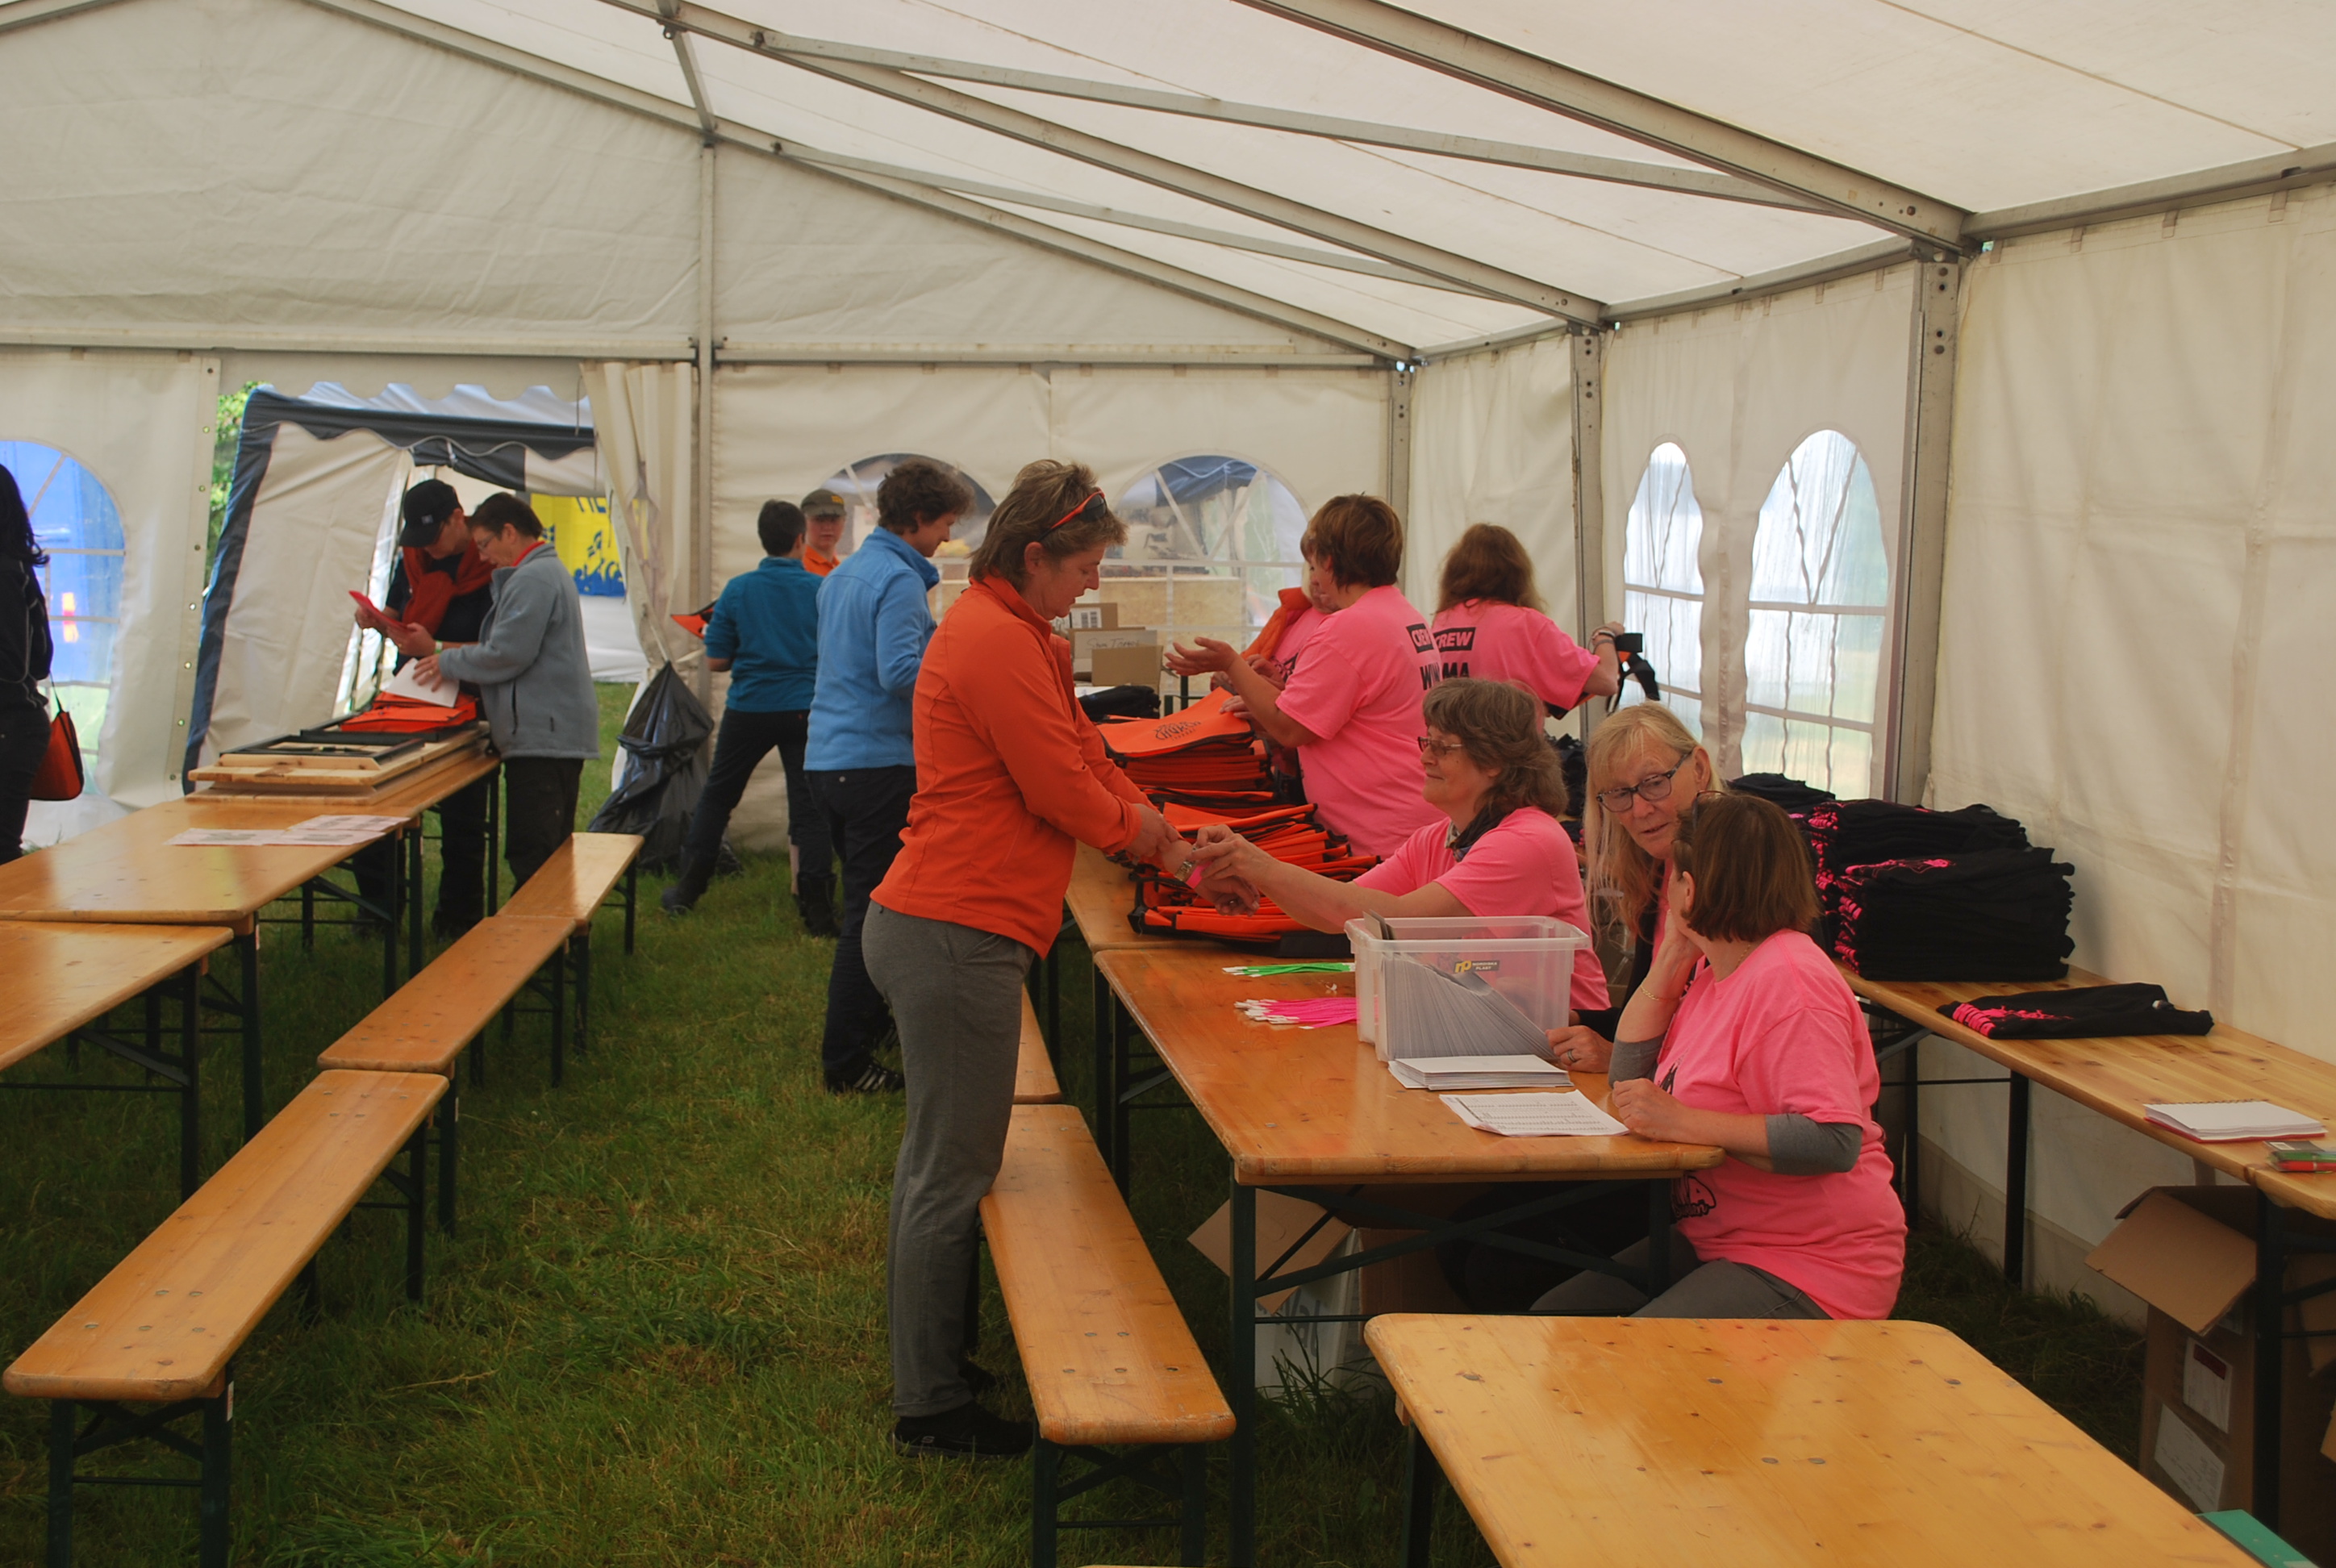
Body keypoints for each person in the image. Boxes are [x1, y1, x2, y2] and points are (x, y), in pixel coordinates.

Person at [866, 459, 1187, 1459]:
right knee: (949, 1170)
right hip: (953, 931)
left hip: (953, 925)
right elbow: (1057, 786)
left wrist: (1161, 829)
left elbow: (1086, 756)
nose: (1092, 585)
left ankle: (938, 1363)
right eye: (1084, 567)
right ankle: (930, 1407)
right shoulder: (996, 638)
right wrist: (1156, 844)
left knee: (946, 1161)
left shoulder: (1020, 634)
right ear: (1035, 554)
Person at [1530, 793, 1905, 1320]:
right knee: (1558, 1322)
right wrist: (1673, 956)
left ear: (1691, 888)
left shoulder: (1790, 983)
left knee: (1617, 1353)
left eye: (1672, 877)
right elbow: (1627, 1078)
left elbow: (1833, 1141)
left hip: (1811, 1262)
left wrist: (1685, 1121)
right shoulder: (1718, 971)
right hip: (1723, 1238)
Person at [1191, 677, 1607, 1015]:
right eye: (1428, 743)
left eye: (1443, 747)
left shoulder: (1526, 841)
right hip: (1500, 1028)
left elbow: (1400, 922)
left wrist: (1260, 866)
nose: (1426, 759)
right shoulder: (1440, 837)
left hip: (1568, 1044)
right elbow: (1337, 914)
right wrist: (1250, 869)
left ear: (1495, 761)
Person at [805, 459, 974, 1095]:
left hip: (830, 760)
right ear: (920, 518)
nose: (947, 537)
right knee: (870, 916)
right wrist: (962, 675)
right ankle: (845, 1062)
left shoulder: (845, 573)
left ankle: (870, 1027)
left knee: (869, 906)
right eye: (945, 524)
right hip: (875, 763)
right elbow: (900, 672)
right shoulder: (900, 579)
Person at [1166, 495, 1438, 855]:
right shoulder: (1404, 615)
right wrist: (1282, 692)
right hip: (1403, 817)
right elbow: (1356, 713)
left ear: (1327, 561)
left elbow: (1289, 728)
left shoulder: (1351, 627)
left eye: (1313, 563)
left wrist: (1231, 663)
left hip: (1378, 830)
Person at [403, 494, 599, 890]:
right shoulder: (542, 573)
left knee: (535, 854)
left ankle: (541, 927)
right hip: (548, 732)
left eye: (485, 545)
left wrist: (443, 660)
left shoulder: (532, 578)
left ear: (509, 533)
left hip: (543, 737)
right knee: (546, 852)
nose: (483, 556)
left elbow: (507, 653)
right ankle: (552, 925)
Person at [661, 499, 834, 932]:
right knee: (809, 808)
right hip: (804, 709)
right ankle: (817, 910)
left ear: (763, 540)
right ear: (800, 540)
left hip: (751, 707)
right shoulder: (820, 589)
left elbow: (716, 660)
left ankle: (687, 890)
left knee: (719, 796)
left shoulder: (738, 590)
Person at [352, 478, 494, 934]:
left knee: (463, 818)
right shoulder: (412, 558)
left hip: (469, 696)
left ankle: (457, 917)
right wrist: (377, 620)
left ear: (458, 519)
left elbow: (498, 648)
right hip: (414, 689)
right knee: (380, 794)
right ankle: (380, 907)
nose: (427, 548)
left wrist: (436, 648)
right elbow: (397, 613)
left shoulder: (489, 563)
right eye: (419, 539)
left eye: (433, 537)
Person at [1548, 703, 1724, 1067]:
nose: (1639, 810)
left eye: (1655, 783)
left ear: (1700, 769)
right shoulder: (1658, 875)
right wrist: (1576, 1020)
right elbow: (1659, 1017)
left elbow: (1726, 1048)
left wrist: (1619, 1058)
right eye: (1619, 794)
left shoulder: (1749, 877)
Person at [1431, 523, 1624, 717]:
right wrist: (1605, 636)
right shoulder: (1525, 624)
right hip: (1506, 734)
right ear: (1517, 573)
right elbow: (1606, 681)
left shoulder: (1443, 621)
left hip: (1449, 733)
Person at [0, 465, 52, 866]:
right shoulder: (17, 570)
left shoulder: (6, 575)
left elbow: (15, 668)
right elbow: (40, 662)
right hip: (19, 723)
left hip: (10, 724)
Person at [799, 487, 848, 577]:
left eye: (833, 520)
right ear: (803, 523)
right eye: (819, 520)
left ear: (844, 522)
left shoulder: (843, 569)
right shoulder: (800, 567)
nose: (827, 527)